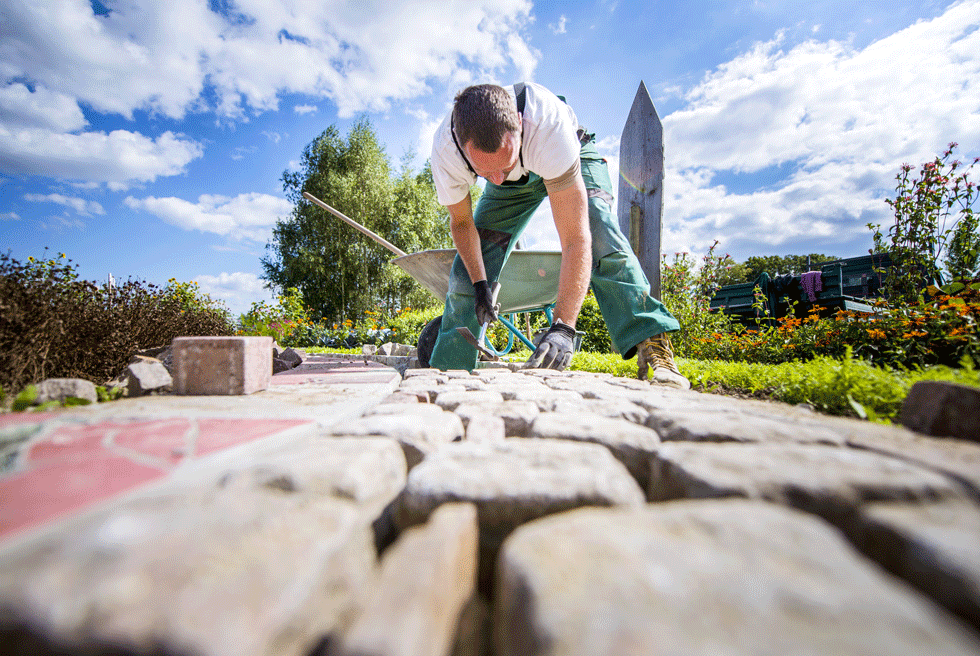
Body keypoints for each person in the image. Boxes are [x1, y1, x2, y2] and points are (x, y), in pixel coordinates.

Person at [427, 81, 689, 388]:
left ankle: (655, 349)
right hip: (512, 188)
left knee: (600, 230)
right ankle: (448, 371)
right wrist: (479, 284)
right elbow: (462, 224)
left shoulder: (548, 127)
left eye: (504, 165)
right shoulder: (447, 151)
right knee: (468, 270)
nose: (495, 179)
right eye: (484, 173)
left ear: (520, 125)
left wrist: (564, 327)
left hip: (569, 158)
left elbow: (575, 238)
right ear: (462, 146)